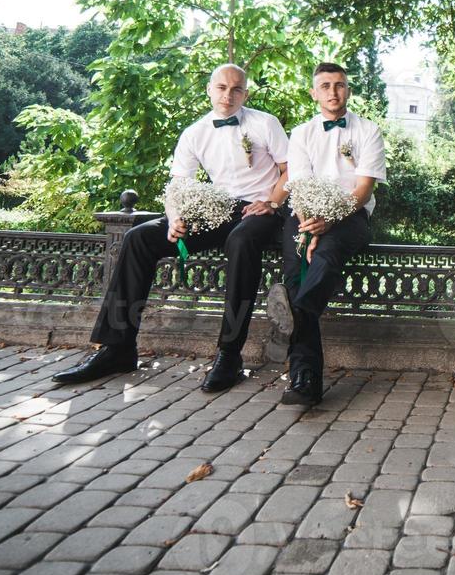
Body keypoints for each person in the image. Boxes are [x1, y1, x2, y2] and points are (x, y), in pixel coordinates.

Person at [52, 64, 290, 392]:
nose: (227, 95)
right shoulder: (195, 133)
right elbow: (179, 185)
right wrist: (176, 217)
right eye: (221, 87)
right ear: (209, 89)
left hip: (260, 212)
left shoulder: (265, 123)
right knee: (140, 237)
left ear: (245, 94)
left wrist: (273, 203)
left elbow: (289, 171)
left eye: (236, 89)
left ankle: (229, 355)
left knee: (240, 241)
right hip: (215, 209)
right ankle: (117, 348)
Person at [264, 63, 386, 409]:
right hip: (304, 213)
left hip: (350, 215)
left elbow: (362, 190)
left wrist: (329, 222)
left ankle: (294, 326)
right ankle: (305, 381)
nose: (333, 91)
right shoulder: (302, 133)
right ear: (314, 93)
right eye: (326, 85)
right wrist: (308, 224)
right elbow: (298, 184)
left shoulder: (368, 131)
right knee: (295, 276)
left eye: (340, 85)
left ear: (348, 91)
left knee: (325, 259)